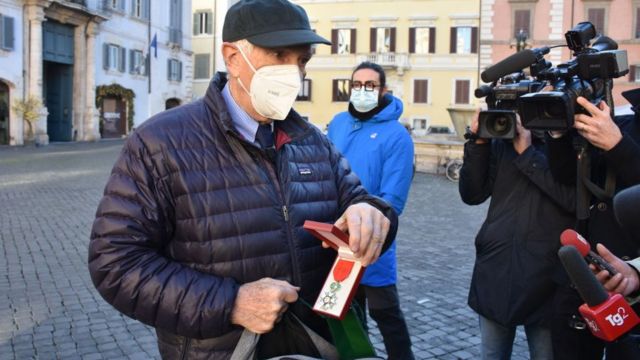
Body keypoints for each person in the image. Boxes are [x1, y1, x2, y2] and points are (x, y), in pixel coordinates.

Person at [87, 1, 398, 358]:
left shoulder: (312, 140)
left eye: (302, 60)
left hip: (316, 346)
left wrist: (373, 214)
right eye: (279, 54)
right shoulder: (159, 143)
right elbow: (115, 262)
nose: (294, 73)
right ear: (233, 57)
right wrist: (231, 303)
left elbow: (361, 202)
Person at [459, 113, 575, 360]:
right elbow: (471, 194)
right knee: (492, 355)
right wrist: (479, 143)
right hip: (497, 266)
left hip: (548, 275)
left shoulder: (571, 141)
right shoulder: (503, 137)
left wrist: (527, 154)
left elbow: (573, 200)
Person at [327, 62, 415, 360]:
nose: (362, 90)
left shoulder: (396, 135)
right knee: (347, 315)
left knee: (386, 315)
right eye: (356, 85)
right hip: (337, 240)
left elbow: (394, 199)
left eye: (370, 85)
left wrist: (367, 221)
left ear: (383, 91)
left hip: (374, 242)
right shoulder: (338, 122)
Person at [547, 92, 640, 360]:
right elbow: (567, 176)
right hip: (581, 277)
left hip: (629, 280)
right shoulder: (620, 121)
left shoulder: (617, 132)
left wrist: (618, 146)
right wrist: (558, 134)